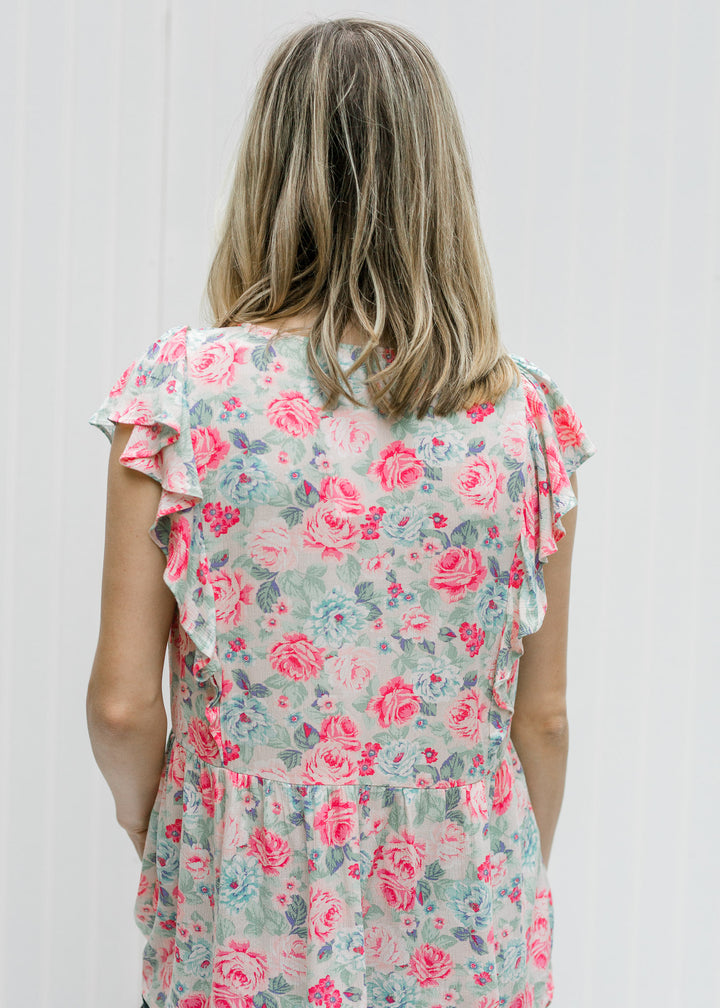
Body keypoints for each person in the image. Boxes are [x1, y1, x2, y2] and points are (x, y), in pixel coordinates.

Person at [87, 16, 597, 1008]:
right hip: (469, 908)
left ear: (268, 171)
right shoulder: (526, 416)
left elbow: (120, 706)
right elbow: (544, 720)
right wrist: (498, 871)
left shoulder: (180, 393)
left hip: (240, 894)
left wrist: (164, 824)